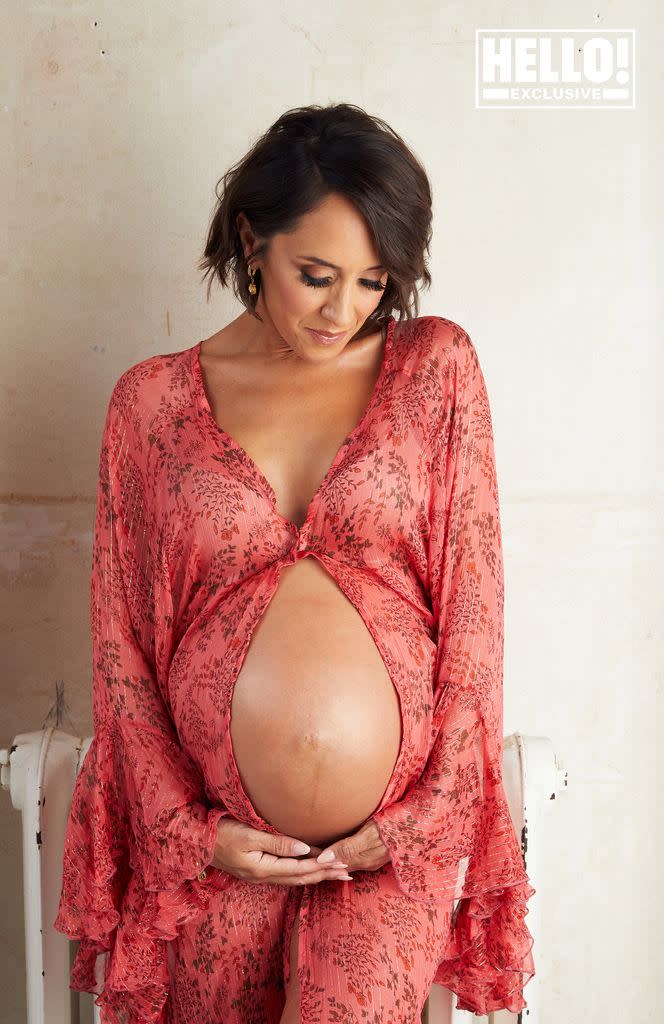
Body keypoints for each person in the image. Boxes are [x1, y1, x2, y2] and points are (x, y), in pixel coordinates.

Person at [54, 102, 536, 1024]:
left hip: (383, 864)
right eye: (317, 275)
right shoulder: (151, 406)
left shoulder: (435, 369)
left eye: (372, 280)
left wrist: (414, 826)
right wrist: (197, 837)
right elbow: (121, 660)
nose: (343, 310)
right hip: (214, 861)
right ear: (252, 238)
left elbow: (475, 621)